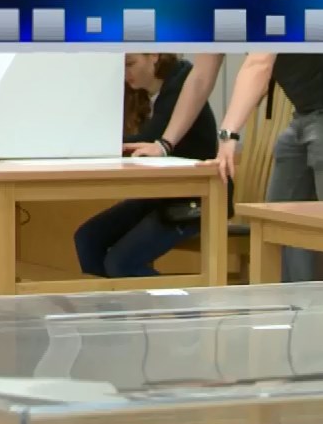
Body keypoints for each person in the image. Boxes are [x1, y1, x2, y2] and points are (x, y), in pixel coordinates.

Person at [134, 52, 323, 282]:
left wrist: (228, 135)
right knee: (279, 220)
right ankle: (294, 304)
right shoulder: (216, 18)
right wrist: (165, 144)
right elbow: (200, 77)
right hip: (307, 113)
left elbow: (259, 64)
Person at [73, 53, 221, 278]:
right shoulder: (144, 93)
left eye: (130, 64)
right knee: (87, 238)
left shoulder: (181, 81)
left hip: (194, 199)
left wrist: (96, 142)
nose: (125, 73)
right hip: (160, 195)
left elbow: (152, 140)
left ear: (153, 56)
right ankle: (114, 300)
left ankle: (181, 302)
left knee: (121, 263)